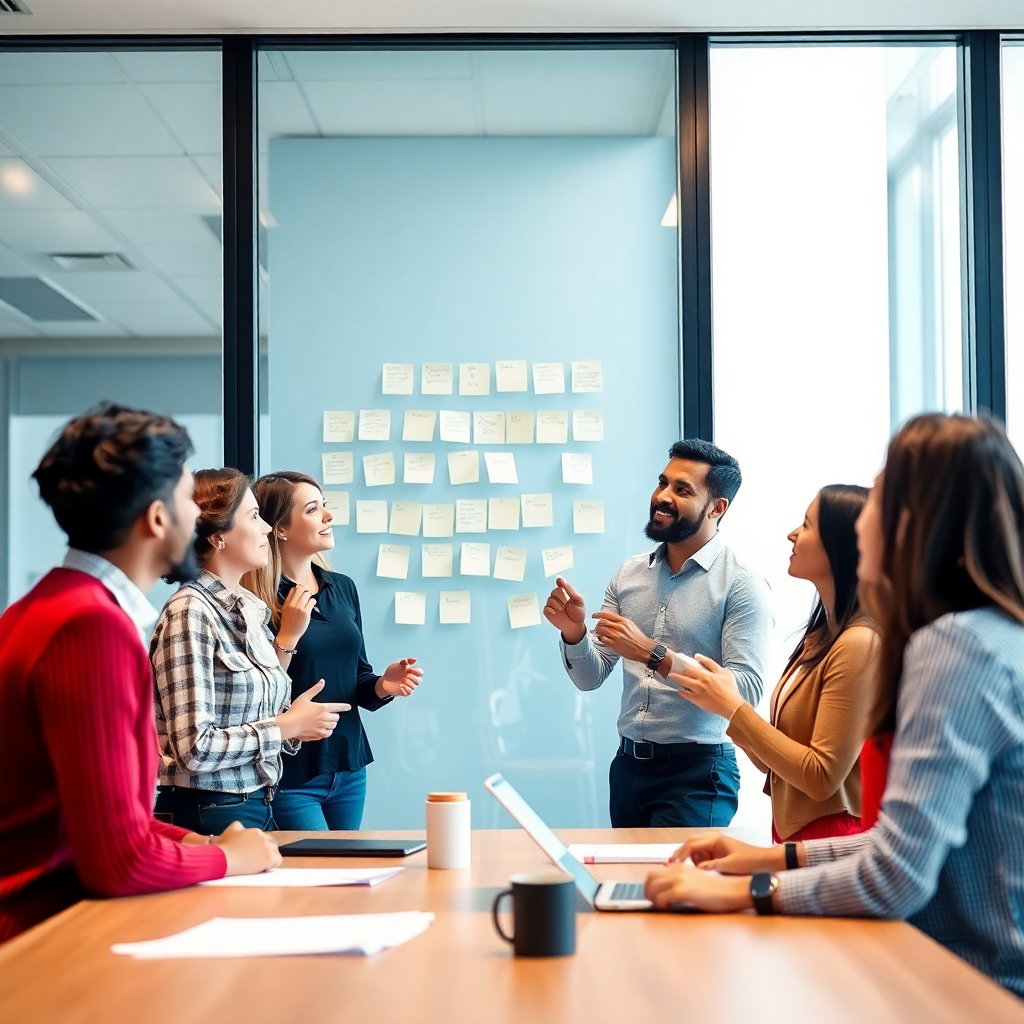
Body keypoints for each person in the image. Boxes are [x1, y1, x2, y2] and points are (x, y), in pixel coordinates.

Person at [644, 414, 1024, 999]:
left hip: (969, 985)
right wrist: (768, 860)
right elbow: (895, 843)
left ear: (915, 523)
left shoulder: (955, 649)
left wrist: (747, 891)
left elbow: (894, 874)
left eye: (879, 500)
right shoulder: (987, 636)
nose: (863, 516)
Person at [0, 404, 280, 943]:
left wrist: (195, 844)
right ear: (157, 518)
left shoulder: (50, 608)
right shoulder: (89, 627)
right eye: (184, 501)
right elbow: (118, 862)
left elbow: (103, 816)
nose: (196, 520)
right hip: (42, 942)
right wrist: (226, 859)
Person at [543, 438, 773, 827]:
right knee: (631, 886)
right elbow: (589, 677)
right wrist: (575, 634)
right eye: (662, 483)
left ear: (717, 507)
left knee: (678, 887)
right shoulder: (630, 575)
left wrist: (653, 653)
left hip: (698, 773)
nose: (662, 496)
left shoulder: (741, 585)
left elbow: (745, 690)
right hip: (628, 769)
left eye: (682, 490)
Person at [672, 485, 877, 842]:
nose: (792, 534)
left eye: (808, 525)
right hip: (795, 833)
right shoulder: (819, 638)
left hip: (832, 840)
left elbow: (821, 777)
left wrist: (734, 708)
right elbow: (777, 765)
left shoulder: (859, 644)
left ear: (842, 545)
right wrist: (723, 706)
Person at [151, 468, 349, 834]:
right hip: (210, 811)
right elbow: (195, 748)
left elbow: (262, 718)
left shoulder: (249, 607)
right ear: (219, 536)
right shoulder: (189, 612)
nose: (267, 529)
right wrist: (285, 725)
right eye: (254, 517)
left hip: (260, 803)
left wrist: (296, 726)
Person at [243, 472, 422, 830]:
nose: (328, 516)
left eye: (325, 506)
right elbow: (258, 696)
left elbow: (356, 680)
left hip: (349, 767)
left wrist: (383, 684)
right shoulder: (256, 600)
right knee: (315, 883)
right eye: (313, 509)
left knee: (347, 879)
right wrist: (289, 636)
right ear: (280, 529)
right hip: (292, 776)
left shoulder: (343, 588)